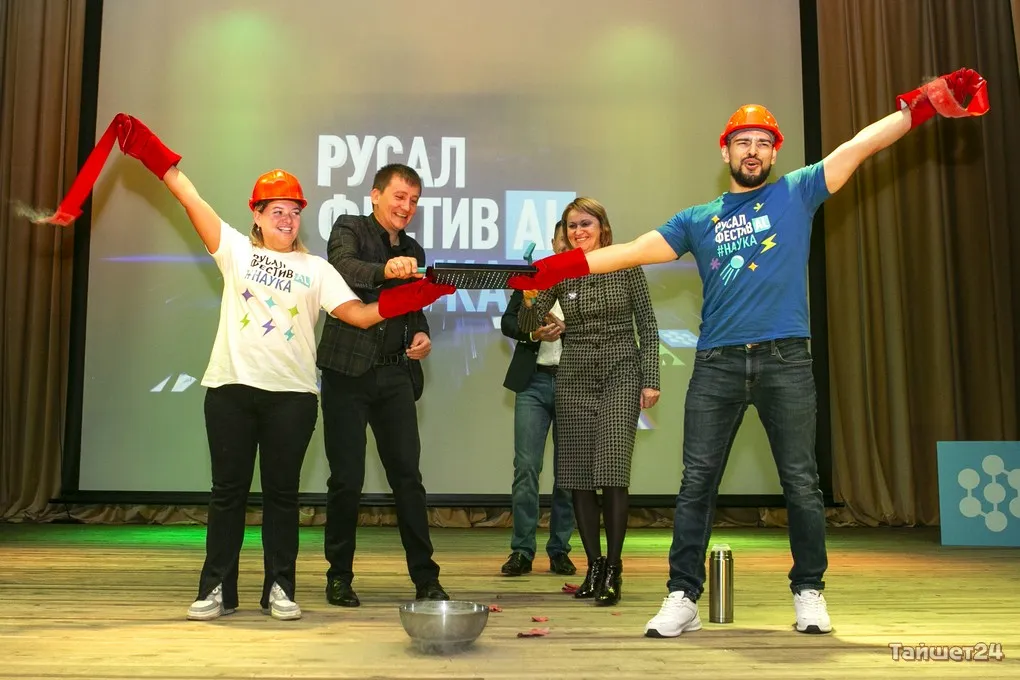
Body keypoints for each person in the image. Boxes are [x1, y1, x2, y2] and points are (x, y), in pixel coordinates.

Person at [505, 69, 989, 634]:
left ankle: (809, 591)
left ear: (774, 152)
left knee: (801, 484)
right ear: (726, 151)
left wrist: (922, 105)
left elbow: (859, 147)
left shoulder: (798, 191)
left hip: (786, 360)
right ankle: (683, 596)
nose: (753, 150)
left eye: (763, 142)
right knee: (696, 484)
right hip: (717, 363)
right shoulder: (697, 219)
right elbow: (632, 250)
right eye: (743, 141)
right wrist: (549, 270)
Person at [113, 115, 453, 622]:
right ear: (256, 215)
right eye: (277, 210)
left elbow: (361, 315)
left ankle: (279, 587)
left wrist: (418, 296)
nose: (288, 219)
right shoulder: (234, 251)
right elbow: (190, 198)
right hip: (230, 389)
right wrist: (154, 157)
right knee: (227, 494)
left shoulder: (317, 269)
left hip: (292, 397)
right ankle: (216, 589)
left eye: (294, 212)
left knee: (282, 496)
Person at [316, 163, 450, 606]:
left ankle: (426, 579)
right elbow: (345, 268)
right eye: (399, 197)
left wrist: (421, 332)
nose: (406, 207)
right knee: (346, 480)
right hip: (346, 375)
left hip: (395, 376)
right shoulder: (349, 227)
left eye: (413, 200)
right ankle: (339, 577)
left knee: (408, 479)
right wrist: (386, 270)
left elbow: (414, 305)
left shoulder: (414, 248)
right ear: (375, 195)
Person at [517, 198, 660, 606]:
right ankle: (594, 566)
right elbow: (529, 324)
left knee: (612, 470)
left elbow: (648, 325)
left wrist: (651, 379)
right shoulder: (560, 269)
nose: (579, 231)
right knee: (577, 475)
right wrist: (528, 298)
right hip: (574, 374)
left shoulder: (627, 263)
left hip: (621, 370)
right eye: (572, 226)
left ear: (603, 228)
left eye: (586, 224)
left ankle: (614, 567)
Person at [498, 221, 577, 577]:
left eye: (570, 242)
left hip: (574, 383)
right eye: (561, 241)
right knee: (526, 468)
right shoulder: (534, 277)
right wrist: (534, 333)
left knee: (569, 473)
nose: (565, 247)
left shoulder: (588, 278)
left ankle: (560, 549)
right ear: (553, 242)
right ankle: (522, 550)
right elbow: (508, 322)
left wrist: (567, 328)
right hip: (533, 383)